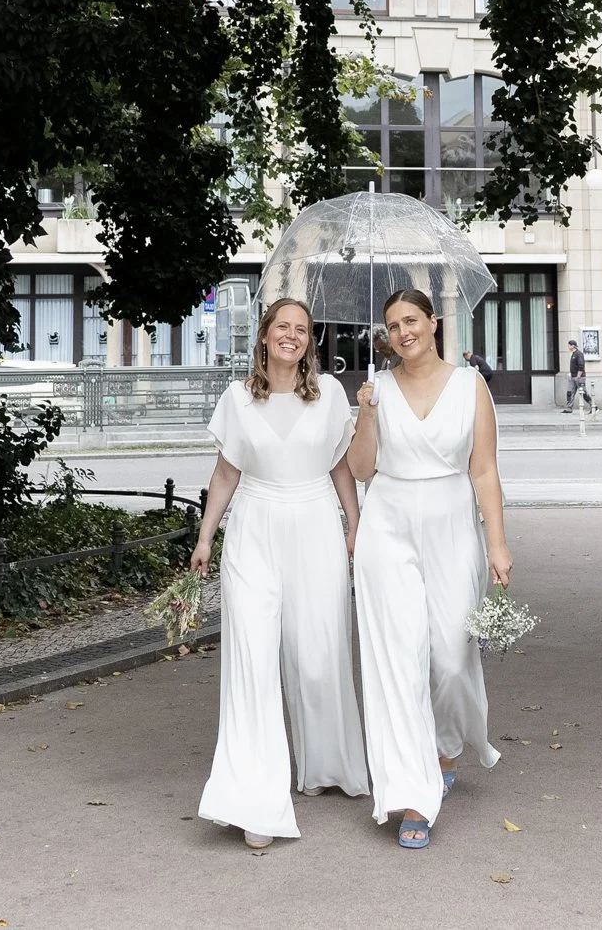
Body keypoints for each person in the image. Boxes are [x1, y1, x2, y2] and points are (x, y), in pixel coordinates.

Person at [193, 298, 368, 848]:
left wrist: (355, 524)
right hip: (254, 532)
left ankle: (325, 763)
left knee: (318, 655)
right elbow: (225, 474)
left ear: (309, 341)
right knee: (251, 662)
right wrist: (204, 538)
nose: (292, 336)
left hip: (316, 524)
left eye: (302, 330)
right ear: (264, 337)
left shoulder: (332, 396)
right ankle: (254, 801)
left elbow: (342, 464)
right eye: (282, 328)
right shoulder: (238, 399)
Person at [349, 288, 512, 849]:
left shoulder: (471, 386)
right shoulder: (378, 390)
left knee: (449, 653)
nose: (402, 333)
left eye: (411, 321)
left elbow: (484, 471)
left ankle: (445, 744)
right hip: (387, 528)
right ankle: (412, 793)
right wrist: (366, 416)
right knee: (397, 660)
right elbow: (361, 468)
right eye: (392, 326)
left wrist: (497, 543)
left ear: (433, 323)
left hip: (450, 529)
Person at [563, 338, 592, 414]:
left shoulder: (579, 354)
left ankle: (594, 406)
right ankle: (569, 408)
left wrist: (578, 376)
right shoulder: (573, 354)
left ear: (573, 346)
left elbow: (581, 365)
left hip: (579, 378)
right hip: (573, 377)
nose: (568, 347)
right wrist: (571, 374)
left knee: (583, 393)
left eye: (569, 345)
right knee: (570, 392)